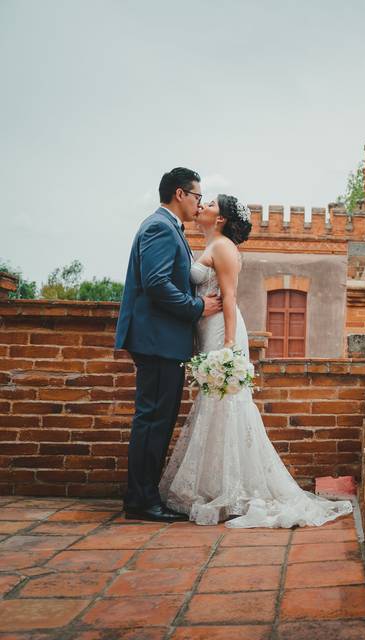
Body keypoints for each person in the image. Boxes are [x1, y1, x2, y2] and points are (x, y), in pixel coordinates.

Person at [158, 194, 353, 528]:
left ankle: (230, 488)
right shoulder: (214, 244)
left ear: (220, 220)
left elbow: (230, 297)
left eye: (210, 206)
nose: (202, 206)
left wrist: (230, 346)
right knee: (216, 407)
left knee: (226, 406)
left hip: (222, 330)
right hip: (208, 328)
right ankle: (217, 483)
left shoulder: (222, 248)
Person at [115, 167, 222, 522]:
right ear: (180, 194)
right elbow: (158, 284)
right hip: (157, 340)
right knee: (153, 420)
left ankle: (143, 496)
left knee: (156, 419)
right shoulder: (160, 227)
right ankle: (142, 501)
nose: (198, 203)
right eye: (196, 196)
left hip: (162, 340)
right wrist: (197, 307)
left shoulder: (166, 227)